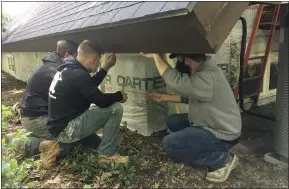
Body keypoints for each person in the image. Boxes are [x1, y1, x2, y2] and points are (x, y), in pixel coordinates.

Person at [142, 53, 242, 183]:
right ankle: (203, 146)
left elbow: (177, 82)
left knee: (170, 144)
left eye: (180, 60)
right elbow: (191, 95)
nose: (179, 64)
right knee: (173, 122)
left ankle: (223, 159)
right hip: (211, 121)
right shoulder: (205, 69)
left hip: (222, 133)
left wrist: (156, 56)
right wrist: (162, 97)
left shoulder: (206, 77)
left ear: (188, 60)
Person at [39, 40, 128, 169]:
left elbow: (87, 86)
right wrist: (119, 96)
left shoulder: (68, 66)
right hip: (67, 129)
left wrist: (105, 67)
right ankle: (107, 157)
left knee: (96, 144)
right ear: (92, 59)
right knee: (115, 108)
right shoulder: (78, 74)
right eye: (98, 60)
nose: (98, 63)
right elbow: (101, 101)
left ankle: (55, 147)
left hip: (59, 125)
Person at [5, 40, 88, 158]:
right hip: (37, 118)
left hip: (30, 115)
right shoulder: (57, 72)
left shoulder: (50, 64)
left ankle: (16, 137)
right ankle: (22, 145)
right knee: (70, 142)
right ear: (67, 55)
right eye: (76, 58)